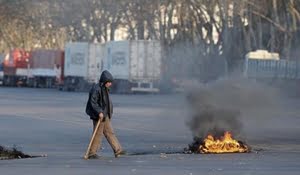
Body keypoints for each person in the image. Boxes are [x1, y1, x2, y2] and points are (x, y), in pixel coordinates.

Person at [85, 70, 125, 159]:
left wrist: (106, 113)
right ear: (104, 81)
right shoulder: (96, 89)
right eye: (109, 82)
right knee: (98, 134)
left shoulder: (104, 88)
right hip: (98, 116)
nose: (110, 84)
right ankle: (92, 153)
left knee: (110, 132)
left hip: (105, 115)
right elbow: (93, 102)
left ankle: (118, 150)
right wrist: (99, 111)